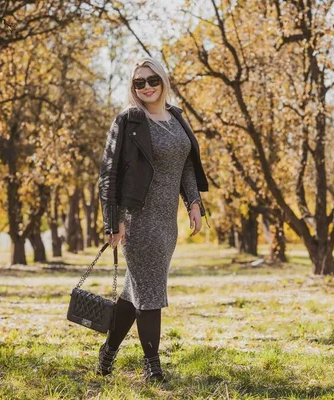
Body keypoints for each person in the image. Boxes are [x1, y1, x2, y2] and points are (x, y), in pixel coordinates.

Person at [96, 56, 209, 383]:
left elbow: (186, 165)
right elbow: (109, 173)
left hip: (166, 221)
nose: (146, 87)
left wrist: (194, 202)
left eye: (152, 80)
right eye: (138, 82)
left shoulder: (176, 117)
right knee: (151, 291)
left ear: (163, 81)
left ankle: (108, 352)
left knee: (137, 292)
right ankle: (152, 365)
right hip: (137, 218)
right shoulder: (128, 120)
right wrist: (112, 219)